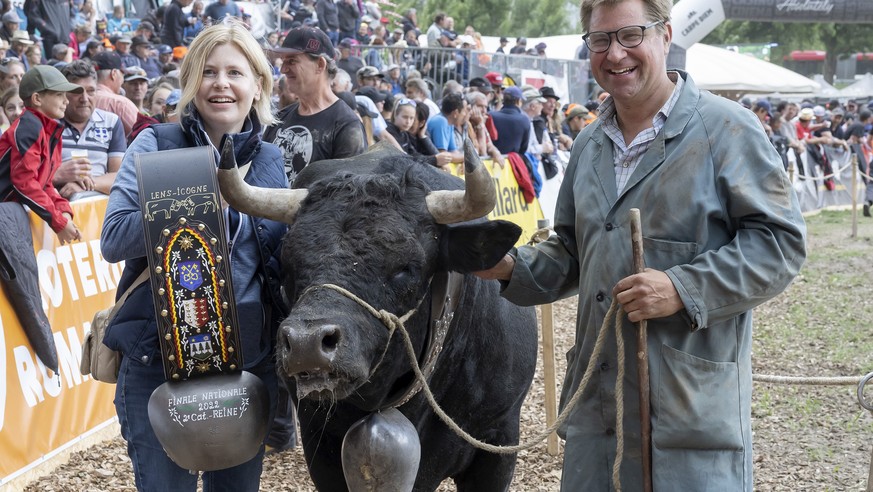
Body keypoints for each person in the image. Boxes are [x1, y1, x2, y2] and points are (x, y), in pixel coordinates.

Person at [474, 0, 807, 489]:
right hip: (598, 412)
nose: (615, 54)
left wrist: (681, 288)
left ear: (665, 36)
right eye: (600, 40)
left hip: (687, 415)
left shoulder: (728, 130)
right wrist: (506, 266)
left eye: (630, 36)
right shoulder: (588, 144)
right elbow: (571, 251)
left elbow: (779, 244)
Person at [101, 21, 287, 491]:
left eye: (235, 72)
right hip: (159, 366)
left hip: (247, 367)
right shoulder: (157, 143)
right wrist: (197, 205)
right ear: (190, 83)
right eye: (208, 72)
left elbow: (281, 263)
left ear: (258, 85)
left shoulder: (269, 159)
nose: (221, 83)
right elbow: (114, 238)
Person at [264, 26, 366, 184]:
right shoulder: (279, 118)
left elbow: (347, 199)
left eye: (291, 61)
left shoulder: (346, 126)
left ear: (320, 64)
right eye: (283, 61)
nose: (283, 69)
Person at [0, 65, 83, 244]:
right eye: (59, 94)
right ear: (37, 98)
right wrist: (58, 222)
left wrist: (63, 209)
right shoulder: (30, 126)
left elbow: (44, 184)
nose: (66, 101)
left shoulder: (48, 130)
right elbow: (24, 182)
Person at [56, 60, 125, 200]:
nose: (85, 99)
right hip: (56, 205)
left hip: (99, 206)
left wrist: (86, 185)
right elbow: (29, 178)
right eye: (76, 92)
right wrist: (58, 175)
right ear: (63, 94)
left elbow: (120, 177)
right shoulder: (49, 124)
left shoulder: (111, 122)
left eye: (91, 91)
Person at [91, 51, 139, 137]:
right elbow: (144, 134)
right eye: (122, 73)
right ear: (113, 74)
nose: (123, 80)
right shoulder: (120, 103)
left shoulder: (79, 98)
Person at [489, 86, 529, 155]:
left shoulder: (491, 116)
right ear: (518, 101)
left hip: (490, 162)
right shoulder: (524, 120)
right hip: (512, 162)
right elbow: (523, 148)